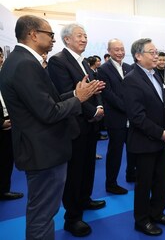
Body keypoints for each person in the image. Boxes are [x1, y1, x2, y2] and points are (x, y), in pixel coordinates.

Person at [0, 15, 102, 240]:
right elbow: (50, 112)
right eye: (50, 34)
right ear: (33, 34)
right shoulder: (25, 64)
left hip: (39, 148)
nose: (54, 39)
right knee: (42, 215)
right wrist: (80, 99)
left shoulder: (19, 60)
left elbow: (47, 102)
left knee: (43, 211)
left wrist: (76, 94)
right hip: (43, 151)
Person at [48, 23, 106, 237]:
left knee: (88, 165)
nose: (84, 39)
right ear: (67, 40)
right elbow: (68, 94)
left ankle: (85, 199)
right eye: (79, 36)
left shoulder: (85, 62)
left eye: (85, 35)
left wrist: (99, 107)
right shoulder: (58, 61)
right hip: (74, 124)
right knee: (74, 172)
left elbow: (94, 88)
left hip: (91, 123)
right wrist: (92, 112)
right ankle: (72, 218)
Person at [123, 38, 165, 236]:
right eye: (152, 52)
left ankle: (157, 213)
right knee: (144, 183)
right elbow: (137, 116)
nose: (157, 56)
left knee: (162, 180)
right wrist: (160, 133)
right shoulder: (131, 80)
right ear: (138, 56)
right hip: (145, 141)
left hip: (162, 139)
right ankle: (142, 220)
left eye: (157, 52)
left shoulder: (156, 76)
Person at [97, 39, 136, 194]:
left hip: (131, 118)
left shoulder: (128, 67)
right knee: (115, 152)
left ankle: (131, 174)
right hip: (116, 118)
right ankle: (111, 183)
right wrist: (127, 107)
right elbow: (108, 94)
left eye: (122, 49)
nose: (120, 52)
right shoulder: (103, 69)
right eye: (116, 50)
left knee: (133, 148)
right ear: (109, 51)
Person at [0, 46, 24, 201]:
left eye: (0, 56)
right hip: (1, 123)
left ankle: (3, 190)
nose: (0, 59)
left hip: (9, 121)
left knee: (6, 159)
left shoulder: (3, 74)